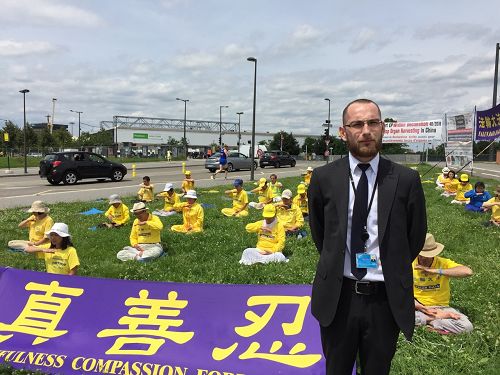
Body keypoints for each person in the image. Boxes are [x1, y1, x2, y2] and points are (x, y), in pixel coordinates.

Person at [308, 98, 427, 374]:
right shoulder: (324, 178)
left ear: (382, 127)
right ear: (343, 131)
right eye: (357, 124)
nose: (366, 130)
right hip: (339, 298)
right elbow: (321, 233)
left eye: (373, 122)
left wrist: (388, 263)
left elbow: (415, 235)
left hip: (384, 300)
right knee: (336, 369)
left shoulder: (405, 179)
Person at [413, 233, 473, 334]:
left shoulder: (443, 263)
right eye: (421, 255)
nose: (423, 258)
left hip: (442, 308)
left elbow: (467, 271)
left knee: (467, 327)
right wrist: (418, 306)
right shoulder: (410, 263)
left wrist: (435, 271)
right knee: (390, 316)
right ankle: (433, 320)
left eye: (428, 256)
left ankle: (425, 323)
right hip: (418, 306)